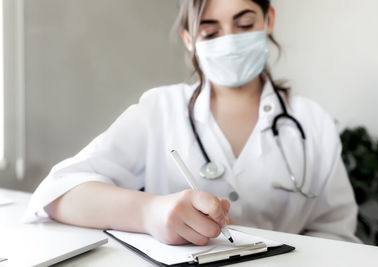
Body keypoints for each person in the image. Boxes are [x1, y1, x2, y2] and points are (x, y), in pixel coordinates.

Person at [25, 0, 360, 245]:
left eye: (244, 25)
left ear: (268, 20)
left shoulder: (312, 123)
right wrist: (149, 212)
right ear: (189, 40)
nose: (229, 41)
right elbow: (57, 193)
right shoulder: (158, 110)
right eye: (210, 31)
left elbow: (336, 232)